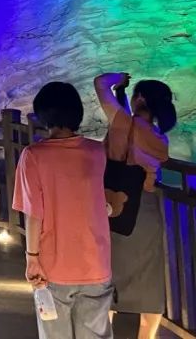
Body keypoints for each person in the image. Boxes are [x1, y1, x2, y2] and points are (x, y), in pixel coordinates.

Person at [14, 82, 113, 339]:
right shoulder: (96, 152)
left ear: (43, 115)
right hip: (95, 263)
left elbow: (34, 214)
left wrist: (32, 257)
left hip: (53, 267)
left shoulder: (33, 156)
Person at [95, 72, 176, 339]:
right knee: (150, 280)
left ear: (139, 97)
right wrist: (122, 95)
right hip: (147, 211)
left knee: (110, 278)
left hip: (118, 206)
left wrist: (118, 80)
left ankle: (103, 334)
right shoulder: (159, 136)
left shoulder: (123, 123)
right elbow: (134, 132)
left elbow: (100, 84)